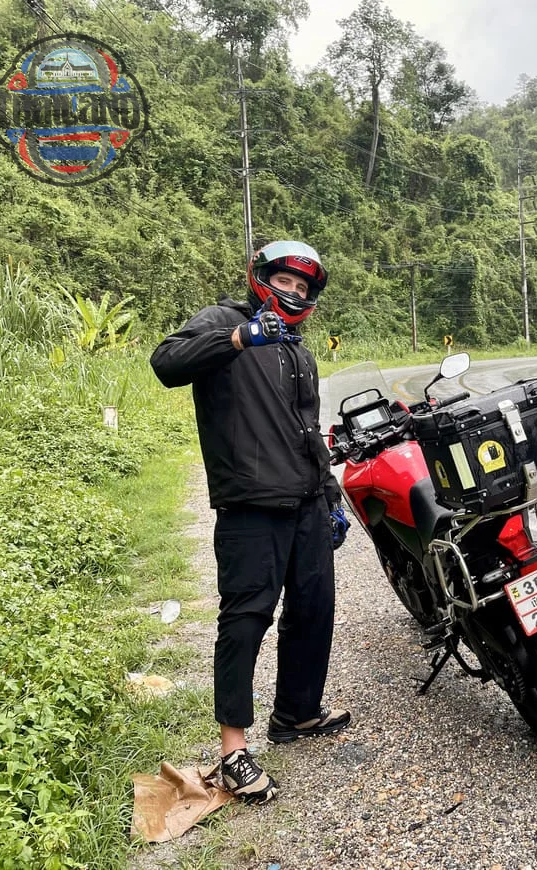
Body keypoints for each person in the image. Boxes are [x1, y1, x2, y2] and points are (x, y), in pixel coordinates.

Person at [151, 240, 352, 804]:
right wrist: (241, 336)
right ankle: (233, 751)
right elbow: (166, 363)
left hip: (308, 501)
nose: (292, 293)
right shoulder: (224, 320)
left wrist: (330, 492)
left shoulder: (299, 350)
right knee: (246, 620)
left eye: (303, 288)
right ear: (260, 279)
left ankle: (297, 712)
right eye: (284, 281)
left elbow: (308, 429)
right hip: (251, 505)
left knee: (313, 610)